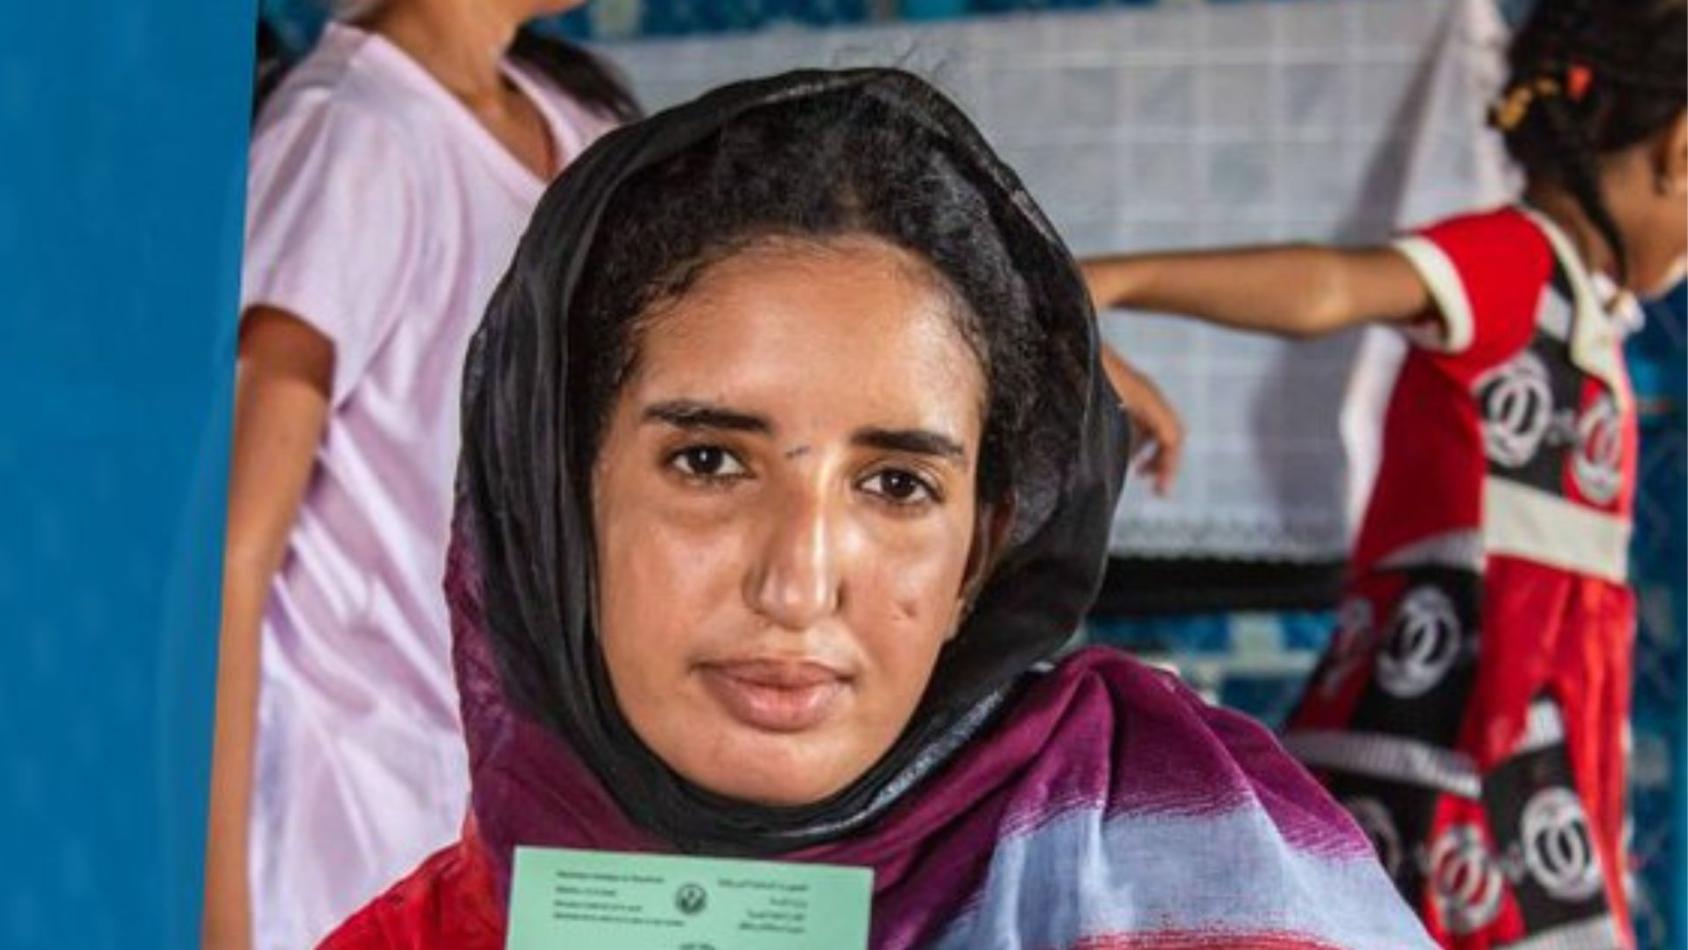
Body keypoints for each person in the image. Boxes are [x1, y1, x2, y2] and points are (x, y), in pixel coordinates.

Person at [321, 68, 1432, 949]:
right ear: (559, 503)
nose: (798, 582)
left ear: (975, 555)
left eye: (896, 484)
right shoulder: (416, 938)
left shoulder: (1174, 865)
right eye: (708, 461)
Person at [1080, 1, 1685, 945]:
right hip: (1452, 711)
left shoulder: (1581, 305)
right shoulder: (1513, 261)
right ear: (1680, 150)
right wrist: (1107, 281)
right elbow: (1334, 284)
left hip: (1525, 717)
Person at [204, 2, 638, 947]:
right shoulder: (354, 134)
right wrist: (217, 919)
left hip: (528, 829)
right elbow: (228, 566)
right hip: (357, 836)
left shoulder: (581, 126)